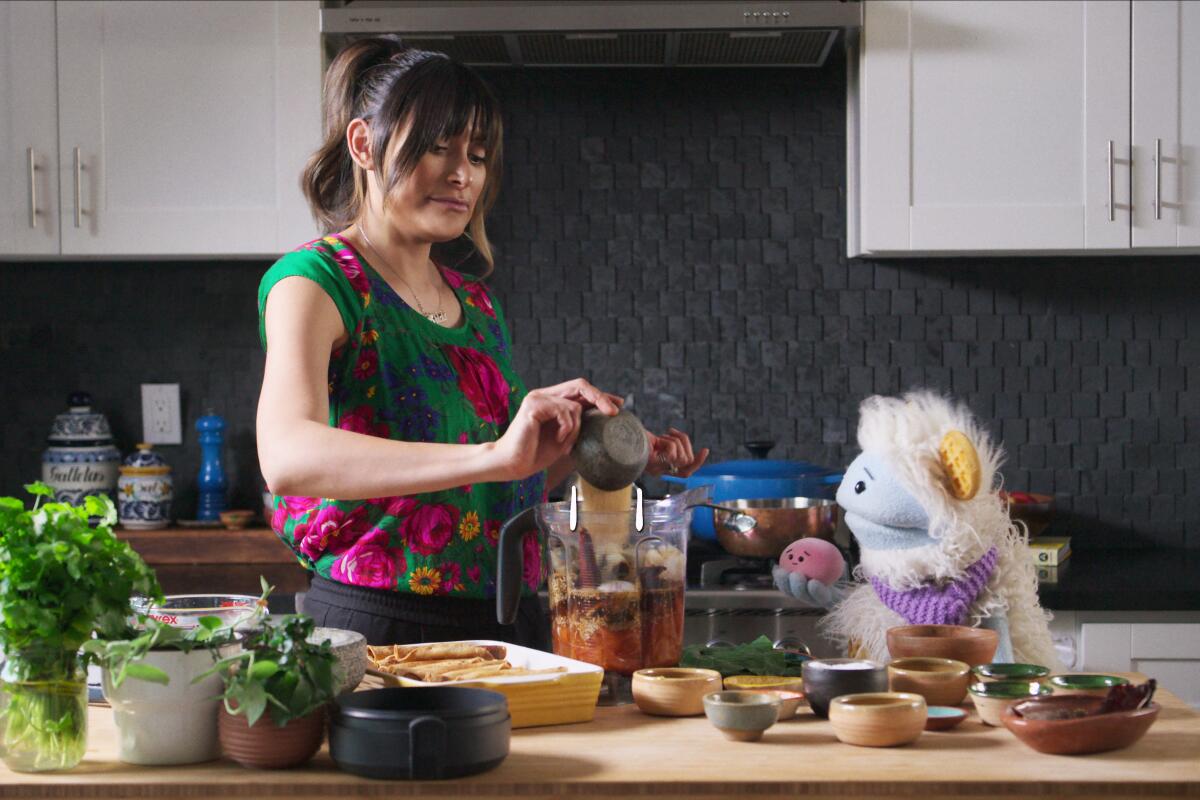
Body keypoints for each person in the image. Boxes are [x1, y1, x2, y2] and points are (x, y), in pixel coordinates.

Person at [255, 37, 708, 648]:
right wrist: (495, 455)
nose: (462, 174)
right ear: (364, 144)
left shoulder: (475, 301)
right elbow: (286, 457)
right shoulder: (317, 281)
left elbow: (492, 479)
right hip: (379, 628)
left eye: (477, 153)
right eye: (436, 148)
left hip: (508, 620)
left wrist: (584, 449)